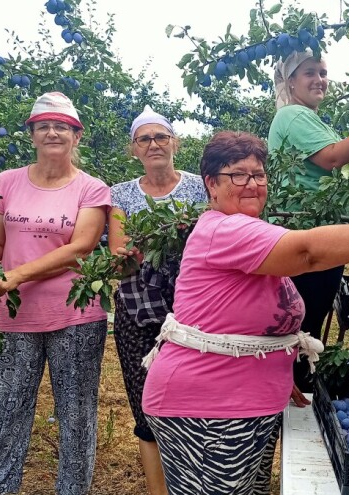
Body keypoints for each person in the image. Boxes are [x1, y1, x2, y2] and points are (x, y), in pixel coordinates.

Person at [141, 131, 349, 494]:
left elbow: (249, 319)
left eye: (258, 174)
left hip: (245, 403)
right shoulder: (224, 229)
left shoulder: (253, 231)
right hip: (208, 409)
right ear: (211, 184)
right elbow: (308, 253)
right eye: (238, 175)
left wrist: (272, 370)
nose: (252, 183)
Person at [0, 92, 110, 495]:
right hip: (11, 316)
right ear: (31, 134)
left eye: (62, 126)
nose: (52, 132)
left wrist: (16, 276)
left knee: (76, 417)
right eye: (43, 125)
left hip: (75, 317)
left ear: (76, 136)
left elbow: (80, 247)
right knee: (3, 414)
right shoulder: (5, 182)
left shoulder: (92, 189)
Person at [268, 49, 349, 392]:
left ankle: (295, 394)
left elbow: (348, 160)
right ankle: (289, 396)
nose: (320, 79)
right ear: (290, 82)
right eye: (309, 73)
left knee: (305, 323)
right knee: (300, 325)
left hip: (316, 235)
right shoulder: (292, 115)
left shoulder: (313, 120)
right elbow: (335, 158)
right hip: (305, 236)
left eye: (323, 72)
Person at [108, 106, 207, 495]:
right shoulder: (120, 194)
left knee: (194, 399)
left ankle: (197, 481)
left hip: (194, 309)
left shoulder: (201, 187)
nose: (153, 145)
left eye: (160, 137)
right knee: (146, 402)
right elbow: (120, 257)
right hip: (138, 313)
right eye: (144, 139)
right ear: (134, 149)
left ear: (175, 143)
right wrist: (157, 239)